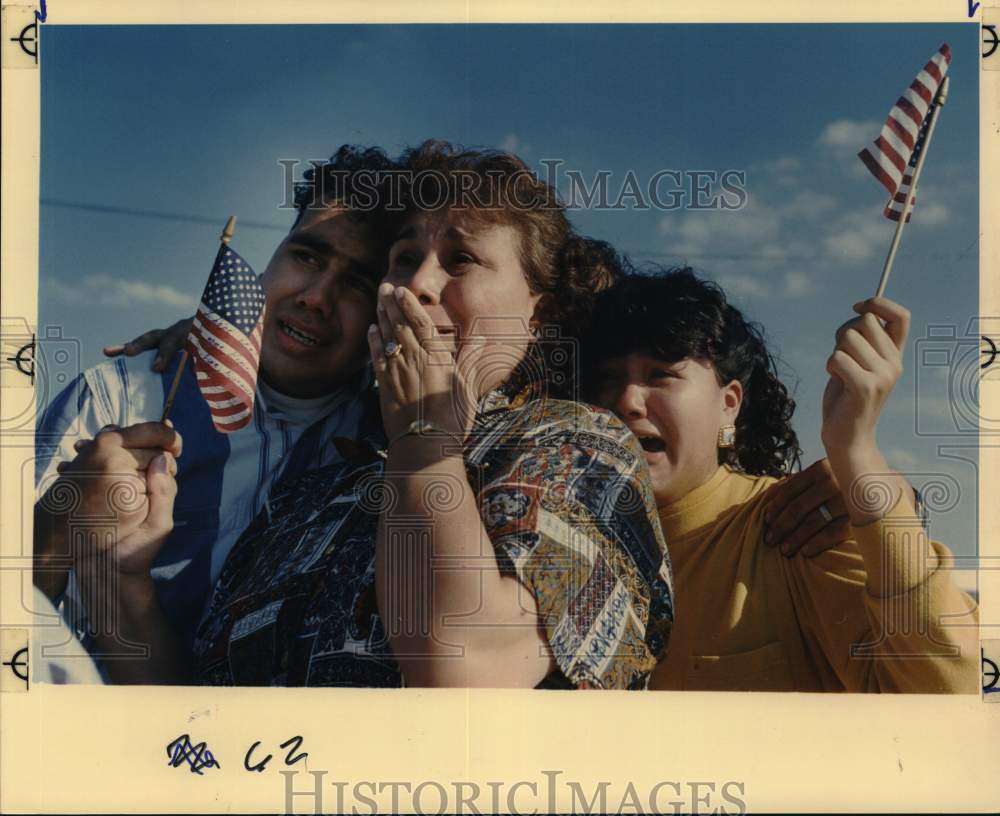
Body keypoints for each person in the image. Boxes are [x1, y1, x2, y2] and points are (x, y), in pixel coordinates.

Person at [69, 141, 676, 688]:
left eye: (460, 259)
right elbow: (198, 718)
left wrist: (424, 435)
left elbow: (460, 660)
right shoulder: (325, 479)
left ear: (540, 315)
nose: (418, 286)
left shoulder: (578, 449)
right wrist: (116, 576)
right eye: (404, 258)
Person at [33, 146, 401, 655]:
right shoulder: (120, 395)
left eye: (357, 282)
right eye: (306, 256)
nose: (316, 296)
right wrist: (57, 524)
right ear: (274, 255)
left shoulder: (387, 445)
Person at [583, 268, 979, 692]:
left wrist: (857, 453)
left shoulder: (801, 524)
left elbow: (942, 692)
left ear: (729, 404)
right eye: (609, 380)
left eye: (661, 375)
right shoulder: (569, 538)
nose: (626, 401)